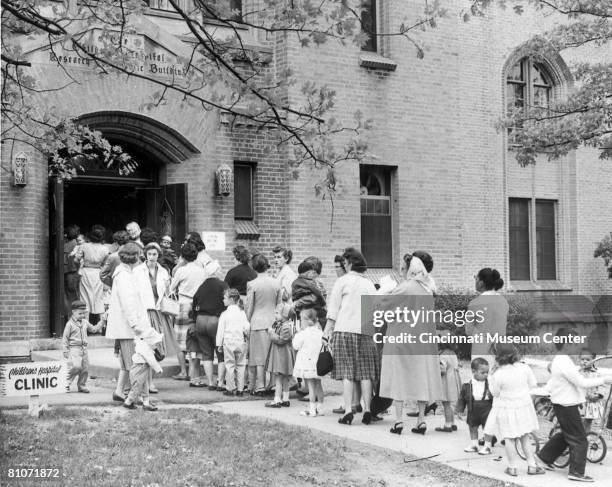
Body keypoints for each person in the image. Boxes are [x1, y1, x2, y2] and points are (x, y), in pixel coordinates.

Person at [537, 329, 612, 482]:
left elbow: (569, 378)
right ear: (566, 344)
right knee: (579, 439)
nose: (578, 345)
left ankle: (544, 458)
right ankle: (576, 472)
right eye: (575, 342)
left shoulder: (561, 360)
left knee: (567, 435)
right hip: (566, 405)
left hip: (563, 403)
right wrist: (604, 380)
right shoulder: (564, 361)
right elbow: (582, 382)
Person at [380, 252, 443, 434]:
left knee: (399, 378)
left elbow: (383, 306)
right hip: (422, 340)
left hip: (401, 337)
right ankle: (421, 421)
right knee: (420, 378)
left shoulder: (405, 287)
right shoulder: (427, 289)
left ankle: (399, 421)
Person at [324, 247, 378, 426]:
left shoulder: (342, 282)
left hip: (344, 329)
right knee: (365, 373)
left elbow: (333, 309)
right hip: (365, 332)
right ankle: (368, 409)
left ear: (349, 263)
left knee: (347, 373)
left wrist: (326, 332)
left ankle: (348, 410)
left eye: (345, 263)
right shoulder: (369, 284)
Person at [483, 343, 544, 477]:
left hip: (507, 409)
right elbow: (533, 385)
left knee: (509, 438)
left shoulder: (498, 374)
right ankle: (532, 465)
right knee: (524, 437)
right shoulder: (524, 368)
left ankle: (512, 467)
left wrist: (490, 377)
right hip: (523, 407)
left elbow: (495, 393)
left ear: (497, 357)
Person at [105, 242, 152, 402]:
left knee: (127, 363)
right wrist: (135, 325)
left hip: (126, 327)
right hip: (128, 327)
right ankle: (137, 397)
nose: (141, 258)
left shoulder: (124, 273)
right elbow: (128, 303)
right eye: (139, 255)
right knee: (136, 364)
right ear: (134, 257)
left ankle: (119, 391)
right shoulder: (124, 275)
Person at [135, 242, 178, 394]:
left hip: (159, 312)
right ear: (145, 255)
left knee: (160, 349)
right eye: (149, 254)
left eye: (155, 254)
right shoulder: (138, 271)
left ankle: (148, 380)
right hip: (145, 312)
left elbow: (167, 292)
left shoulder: (163, 271)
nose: (152, 257)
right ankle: (148, 383)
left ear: (158, 255)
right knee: (148, 348)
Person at [168, 242, 207, 381]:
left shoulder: (181, 270)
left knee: (180, 340)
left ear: (183, 256)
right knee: (193, 338)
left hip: (183, 303)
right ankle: (193, 371)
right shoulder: (202, 270)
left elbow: (171, 288)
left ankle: (183, 372)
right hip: (197, 306)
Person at [245, 253, 282, 395]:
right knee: (273, 356)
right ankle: (272, 384)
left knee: (258, 357)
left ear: (254, 267)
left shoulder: (252, 284)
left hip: (257, 321)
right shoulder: (276, 283)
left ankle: (260, 385)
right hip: (273, 321)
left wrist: (247, 321)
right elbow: (279, 305)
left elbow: (250, 306)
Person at [190, 274, 228, 389]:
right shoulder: (223, 285)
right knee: (221, 353)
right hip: (215, 320)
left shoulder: (201, 286)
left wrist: (194, 319)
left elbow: (194, 303)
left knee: (207, 354)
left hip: (200, 320)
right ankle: (220, 382)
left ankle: (211, 382)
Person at [465, 268, 509, 363]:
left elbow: (468, 331)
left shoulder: (474, 303)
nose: (475, 281)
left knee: (481, 376)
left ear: (481, 283)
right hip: (500, 349)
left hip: (480, 350)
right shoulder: (503, 301)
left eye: (476, 278)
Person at [62, 300, 103, 393]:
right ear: (73, 312)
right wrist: (65, 350)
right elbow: (65, 338)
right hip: (74, 348)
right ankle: (66, 383)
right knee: (76, 366)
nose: (82, 315)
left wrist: (102, 321)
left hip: (84, 348)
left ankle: (81, 385)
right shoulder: (69, 324)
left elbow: (93, 329)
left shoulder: (84, 322)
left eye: (84, 313)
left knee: (85, 368)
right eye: (80, 313)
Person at [456, 357, 495, 454]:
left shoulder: (490, 383)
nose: (486, 374)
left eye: (487, 372)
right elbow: (462, 398)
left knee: (487, 428)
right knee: (472, 427)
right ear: (474, 371)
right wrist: (460, 410)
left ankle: (487, 446)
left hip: (487, 408)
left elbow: (495, 395)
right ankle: (474, 444)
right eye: (483, 373)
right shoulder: (467, 384)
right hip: (472, 408)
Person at [216, 288, 250, 396]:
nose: (223, 300)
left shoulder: (225, 314)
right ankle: (240, 389)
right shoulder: (242, 312)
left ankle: (230, 388)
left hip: (228, 342)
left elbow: (220, 330)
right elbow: (246, 327)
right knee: (241, 365)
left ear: (231, 299)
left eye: (225, 298)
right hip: (240, 341)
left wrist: (218, 344)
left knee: (229, 365)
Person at [74, 225, 110, 325]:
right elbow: (107, 264)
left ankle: (85, 326)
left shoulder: (84, 246)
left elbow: (76, 260)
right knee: (99, 298)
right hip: (98, 273)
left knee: (85, 298)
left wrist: (79, 267)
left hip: (86, 272)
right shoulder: (105, 248)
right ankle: (103, 326)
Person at [123, 327, 164, 412]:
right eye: (155, 343)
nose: (156, 346)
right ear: (149, 341)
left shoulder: (143, 345)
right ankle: (128, 401)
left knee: (145, 386)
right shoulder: (145, 348)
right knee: (137, 386)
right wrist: (158, 368)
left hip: (143, 368)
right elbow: (151, 360)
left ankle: (146, 403)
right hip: (139, 368)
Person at [293, 308, 324, 417]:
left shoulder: (304, 333)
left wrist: (297, 333)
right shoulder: (320, 332)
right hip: (318, 364)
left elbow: (295, 345)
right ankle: (320, 408)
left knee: (310, 386)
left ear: (307, 321)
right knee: (319, 385)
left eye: (301, 320)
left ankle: (311, 410)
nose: (301, 322)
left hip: (307, 364)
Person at [265, 301, 296, 408]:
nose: (275, 315)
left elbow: (281, 340)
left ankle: (277, 399)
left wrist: (271, 333)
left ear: (285, 315)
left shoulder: (286, 327)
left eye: (277, 313)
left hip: (282, 356)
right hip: (283, 355)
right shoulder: (282, 324)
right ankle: (285, 399)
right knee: (285, 378)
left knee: (279, 378)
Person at [578, 349, 605, 433]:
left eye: (588, 360)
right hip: (580, 401)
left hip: (592, 401)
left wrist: (598, 395)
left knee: (588, 421)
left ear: (593, 361)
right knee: (578, 420)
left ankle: (585, 436)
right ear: (579, 360)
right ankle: (577, 437)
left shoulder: (597, 373)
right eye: (582, 359)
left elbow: (602, 385)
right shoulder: (577, 372)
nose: (585, 362)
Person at [436, 341, 461, 433]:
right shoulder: (453, 353)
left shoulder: (443, 355)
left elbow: (442, 369)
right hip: (454, 380)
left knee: (446, 403)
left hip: (446, 382)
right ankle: (453, 423)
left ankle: (447, 424)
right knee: (450, 403)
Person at [63, 224, 81, 318]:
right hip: (73, 271)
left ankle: (71, 315)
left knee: (70, 294)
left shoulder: (67, 244)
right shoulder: (75, 243)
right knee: (73, 294)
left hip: (69, 271)